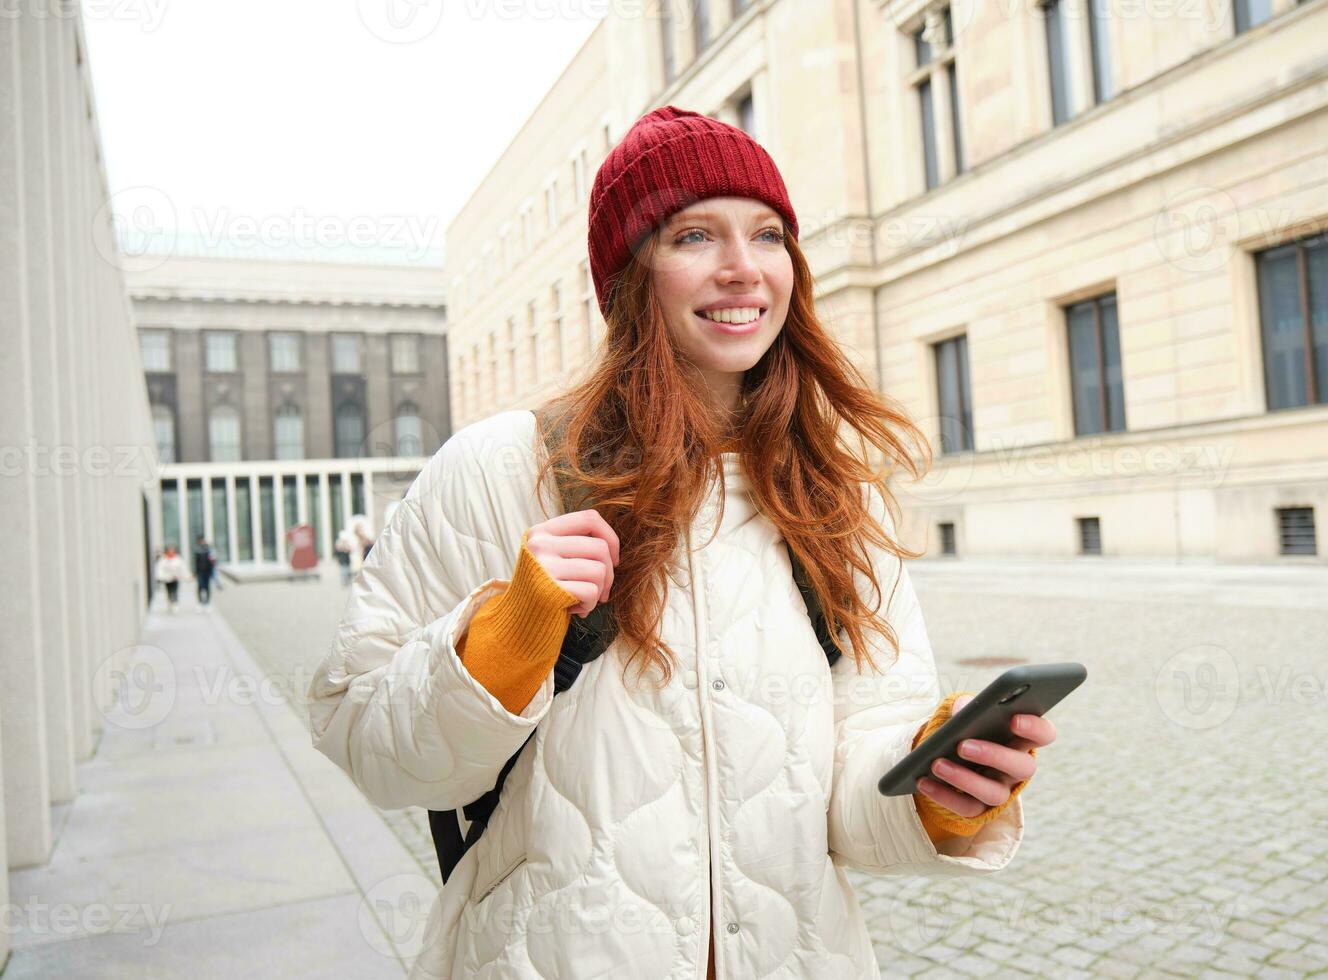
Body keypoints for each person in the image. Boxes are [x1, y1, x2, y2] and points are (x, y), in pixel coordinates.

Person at [308, 106, 1058, 980]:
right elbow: (368, 739)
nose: (743, 269)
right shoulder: (503, 467)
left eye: (769, 235)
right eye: (695, 235)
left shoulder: (835, 497)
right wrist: (501, 643)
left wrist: (928, 791)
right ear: (632, 277)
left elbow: (846, 805)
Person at [153, 544, 187, 613]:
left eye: (172, 551)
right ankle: (170, 603)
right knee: (169, 591)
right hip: (167, 579)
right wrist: (160, 577)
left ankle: (175, 603)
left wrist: (186, 576)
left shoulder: (177, 559)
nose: (171, 552)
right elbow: (160, 569)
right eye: (169, 551)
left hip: (175, 578)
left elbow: (183, 568)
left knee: (175, 591)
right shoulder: (163, 560)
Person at [192, 535, 217, 607]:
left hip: (208, 571)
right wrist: (194, 572)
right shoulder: (197, 549)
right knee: (200, 586)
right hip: (200, 571)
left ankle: (207, 602)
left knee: (207, 586)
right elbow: (195, 562)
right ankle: (200, 602)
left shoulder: (209, 548)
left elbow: (213, 559)